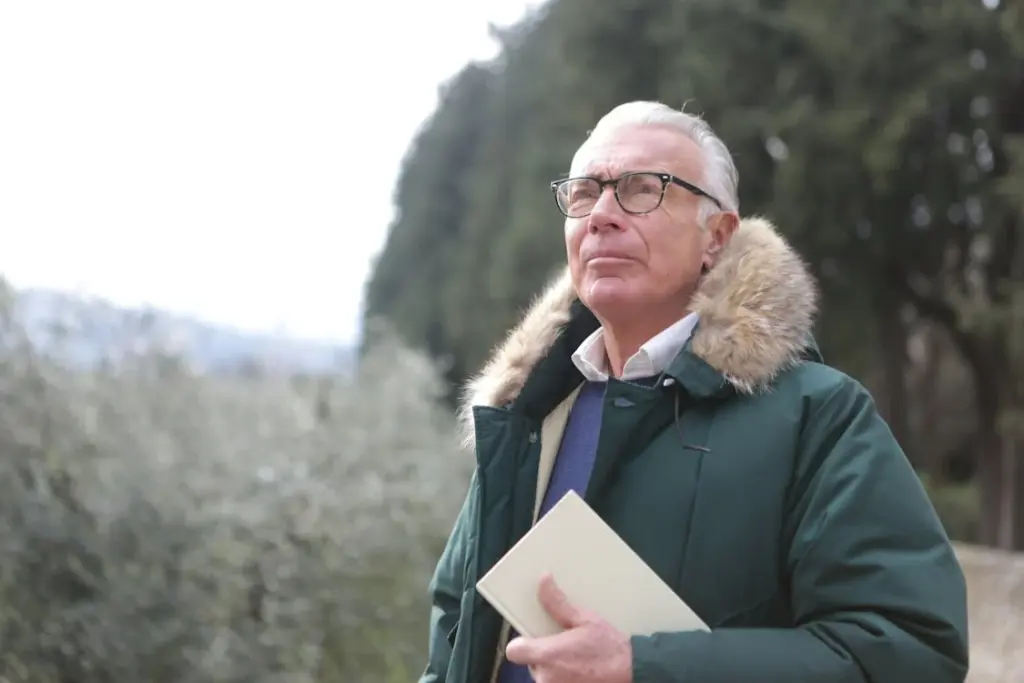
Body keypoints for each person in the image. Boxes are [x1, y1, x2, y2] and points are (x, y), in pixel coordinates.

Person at [419, 101, 970, 683]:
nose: (602, 214)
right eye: (584, 192)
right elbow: (455, 630)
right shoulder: (527, 415)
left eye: (640, 189)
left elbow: (909, 651)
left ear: (718, 237)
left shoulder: (816, 416)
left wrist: (645, 667)